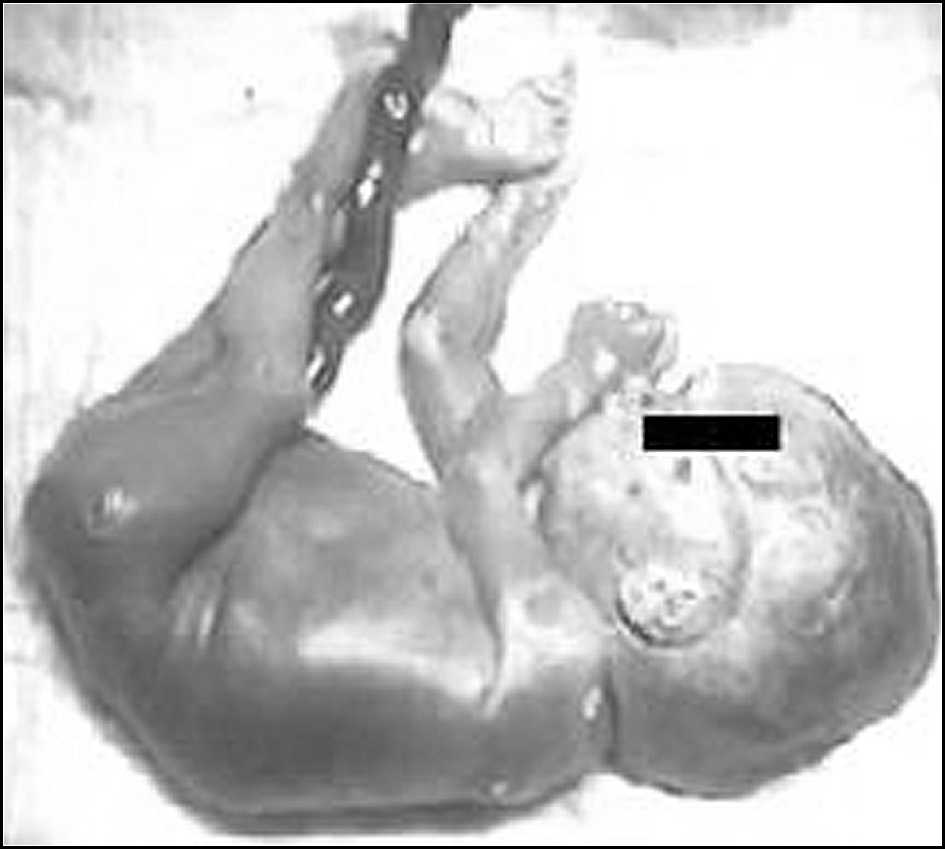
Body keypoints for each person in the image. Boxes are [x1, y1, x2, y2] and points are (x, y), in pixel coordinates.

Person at [22, 41, 938, 823]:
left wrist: (579, 369)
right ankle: (401, 165)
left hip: (140, 566)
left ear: (665, 596)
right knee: (264, 354)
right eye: (681, 395)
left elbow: (478, 476)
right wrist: (518, 211)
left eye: (678, 446)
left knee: (263, 370)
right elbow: (435, 344)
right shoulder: (533, 535)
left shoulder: (554, 678)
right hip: (208, 504)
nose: (640, 402)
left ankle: (344, 153)